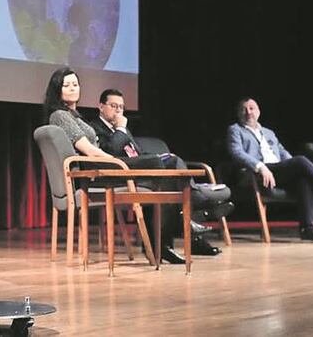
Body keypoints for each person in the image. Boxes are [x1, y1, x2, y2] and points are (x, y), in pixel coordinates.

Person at [43, 67, 187, 264]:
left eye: (75, 84)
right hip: (97, 171)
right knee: (157, 161)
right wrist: (114, 161)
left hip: (102, 166)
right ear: (57, 89)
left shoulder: (73, 115)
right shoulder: (60, 115)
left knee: (160, 174)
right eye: (66, 85)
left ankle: (161, 242)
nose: (72, 89)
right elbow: (89, 150)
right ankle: (172, 232)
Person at [90, 88, 231, 256]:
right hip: (120, 176)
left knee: (169, 172)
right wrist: (120, 130)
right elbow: (110, 151)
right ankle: (199, 205)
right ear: (101, 106)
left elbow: (139, 154)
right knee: (171, 162)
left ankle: (178, 237)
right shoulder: (95, 128)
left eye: (121, 107)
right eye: (114, 106)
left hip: (139, 172)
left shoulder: (124, 129)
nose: (118, 111)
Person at [227, 97, 313, 242]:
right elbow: (237, 152)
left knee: (303, 178)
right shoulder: (235, 130)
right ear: (238, 113)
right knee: (301, 161)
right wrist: (260, 167)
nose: (248, 112)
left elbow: (283, 154)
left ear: (258, 111)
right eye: (243, 109)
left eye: (251, 108)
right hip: (255, 174)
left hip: (277, 172)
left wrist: (297, 167)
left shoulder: (268, 132)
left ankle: (307, 229)